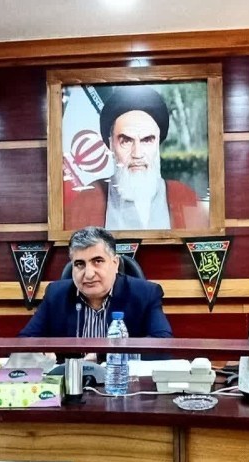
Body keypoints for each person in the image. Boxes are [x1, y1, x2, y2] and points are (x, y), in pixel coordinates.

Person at [65, 85, 208, 231]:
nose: (137, 153)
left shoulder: (185, 197)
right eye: (126, 141)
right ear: (111, 144)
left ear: (158, 143)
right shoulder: (86, 202)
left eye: (147, 140)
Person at [19, 226, 173, 346]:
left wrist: (102, 355)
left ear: (115, 263)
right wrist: (43, 353)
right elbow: (24, 341)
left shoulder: (145, 294)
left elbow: (163, 343)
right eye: (80, 264)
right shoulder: (56, 294)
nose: (89, 274)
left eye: (97, 261)